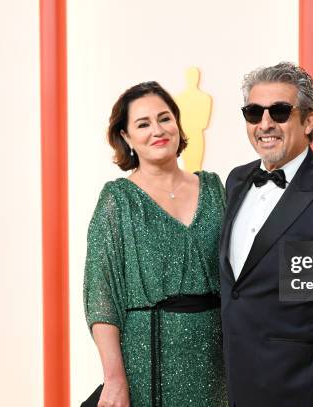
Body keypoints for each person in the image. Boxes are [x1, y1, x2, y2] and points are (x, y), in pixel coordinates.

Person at [219, 62, 313, 407]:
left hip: (299, 394)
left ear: (309, 121)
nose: (265, 124)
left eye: (280, 111)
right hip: (233, 390)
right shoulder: (236, 181)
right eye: (254, 112)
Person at [83, 81, 227, 407]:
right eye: (143, 124)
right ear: (126, 137)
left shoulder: (215, 188)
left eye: (165, 118)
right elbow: (101, 296)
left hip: (217, 361)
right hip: (148, 361)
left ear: (177, 123)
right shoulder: (117, 200)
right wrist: (115, 379)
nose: (157, 130)